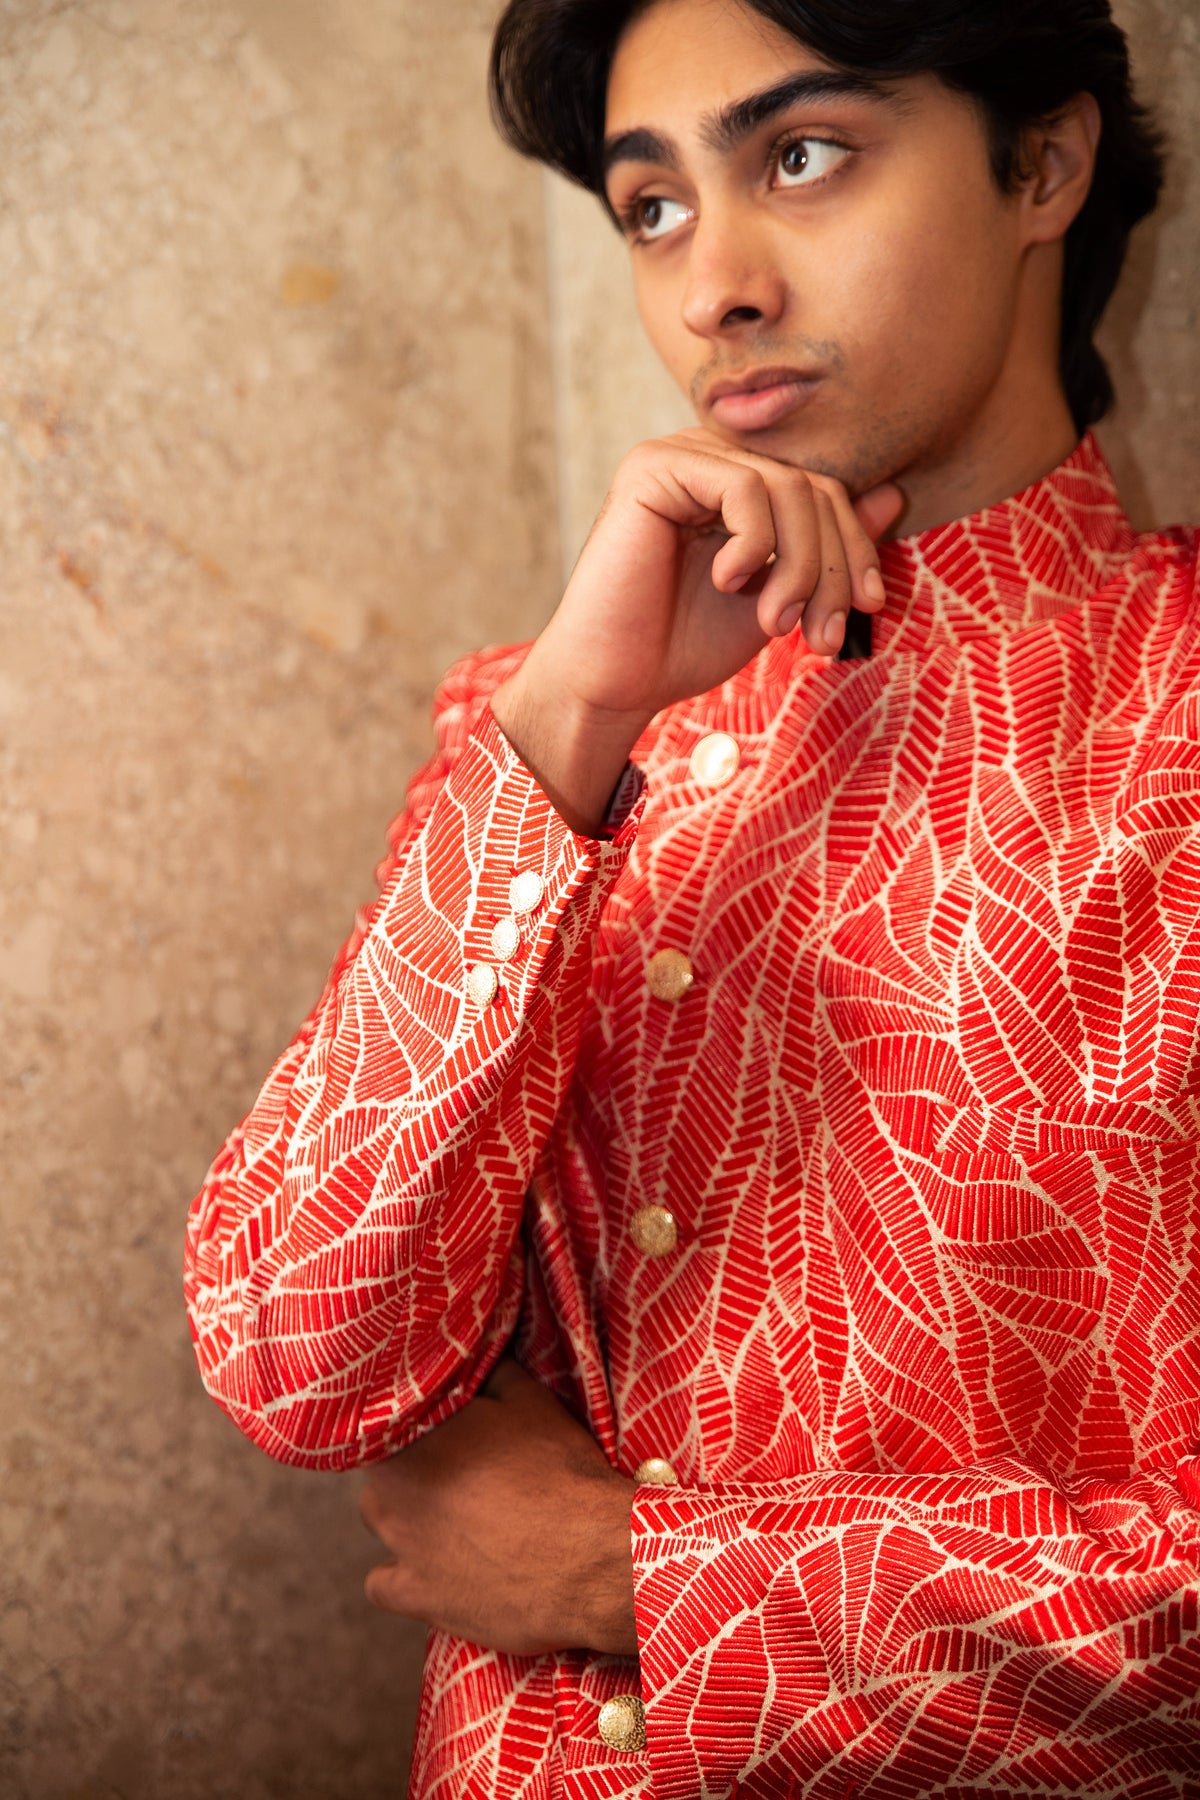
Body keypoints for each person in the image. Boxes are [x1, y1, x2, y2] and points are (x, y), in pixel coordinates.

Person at [184, 0, 1200, 1794]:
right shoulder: (558, 736)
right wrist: (566, 720)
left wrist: (628, 1580)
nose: (709, 285)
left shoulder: (1170, 721)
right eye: (650, 207)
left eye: (801, 157)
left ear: (1041, 163)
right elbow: (294, 1361)